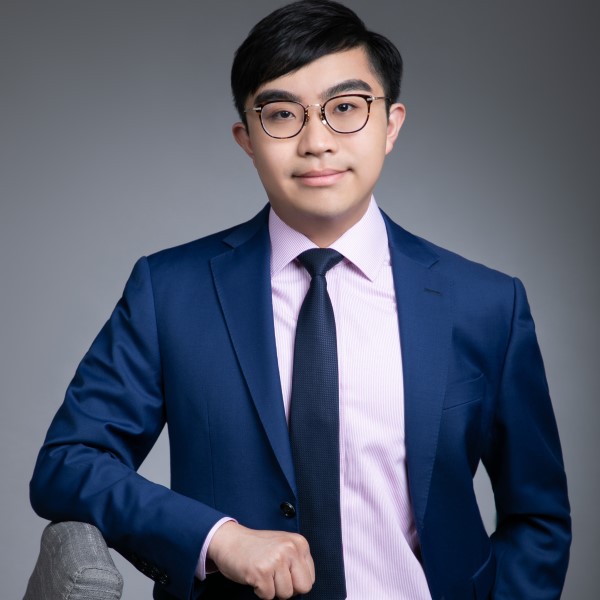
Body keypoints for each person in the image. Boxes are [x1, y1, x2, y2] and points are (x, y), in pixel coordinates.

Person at [30, 1, 571, 599]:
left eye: (345, 108)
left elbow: (537, 517)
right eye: (282, 114)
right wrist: (219, 538)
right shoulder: (170, 291)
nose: (317, 142)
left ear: (391, 125)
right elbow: (69, 462)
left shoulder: (485, 303)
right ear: (247, 138)